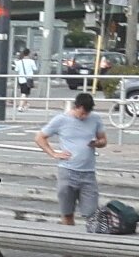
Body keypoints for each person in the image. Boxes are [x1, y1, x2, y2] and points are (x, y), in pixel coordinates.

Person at [37, 91, 107, 226]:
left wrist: (98, 143)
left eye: (87, 113)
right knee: (67, 212)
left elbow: (103, 140)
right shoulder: (61, 120)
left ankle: (89, 241)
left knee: (92, 213)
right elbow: (39, 137)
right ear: (76, 107)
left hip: (88, 173)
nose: (84, 116)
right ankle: (68, 239)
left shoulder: (96, 119)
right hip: (67, 171)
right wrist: (53, 153)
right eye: (82, 113)